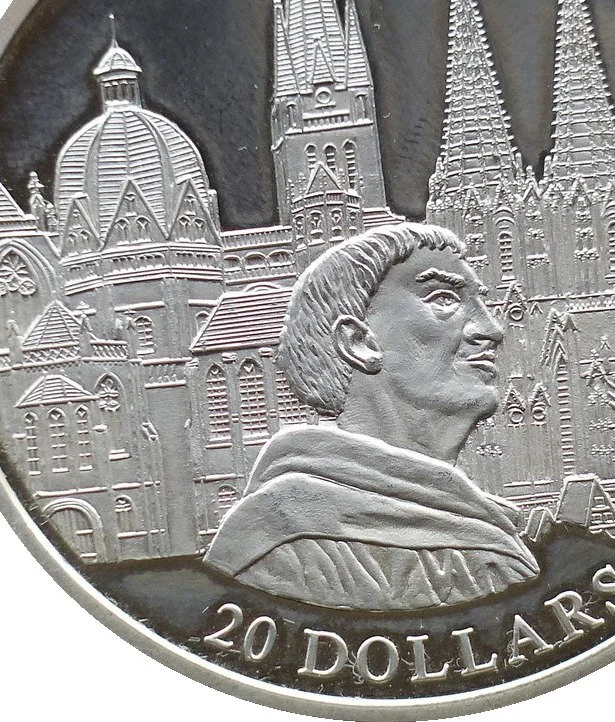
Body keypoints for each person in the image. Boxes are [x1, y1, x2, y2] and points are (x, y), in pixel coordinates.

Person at [204, 223, 540, 610]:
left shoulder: (490, 521)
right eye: (444, 299)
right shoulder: (287, 542)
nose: (493, 330)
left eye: (481, 303)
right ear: (359, 343)